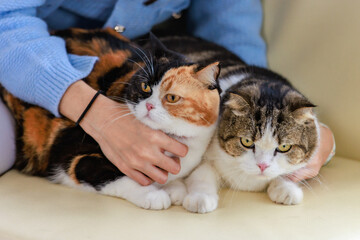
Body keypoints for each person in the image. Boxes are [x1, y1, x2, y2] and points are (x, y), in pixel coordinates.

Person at [0, 0, 334, 185]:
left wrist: (312, 137)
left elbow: (233, 42)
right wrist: (96, 116)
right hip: (16, 64)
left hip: (135, 75)